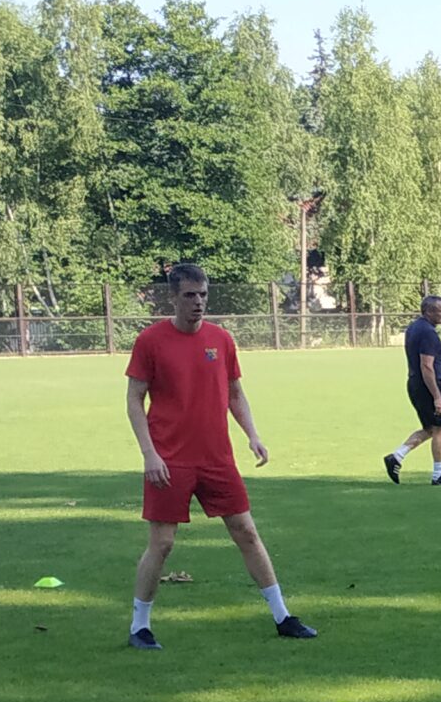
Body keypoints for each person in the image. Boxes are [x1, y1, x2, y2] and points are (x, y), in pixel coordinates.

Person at [124, 264, 317, 648]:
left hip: (217, 458)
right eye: (189, 295)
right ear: (173, 297)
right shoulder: (150, 341)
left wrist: (253, 435)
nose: (198, 302)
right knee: (162, 543)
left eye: (203, 295)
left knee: (247, 532)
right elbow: (134, 399)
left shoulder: (221, 340)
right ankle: (139, 627)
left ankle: (283, 616)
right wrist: (149, 454)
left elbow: (235, 393)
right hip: (169, 459)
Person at [385, 293, 441, 485]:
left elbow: (423, 365)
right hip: (426, 388)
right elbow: (426, 366)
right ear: (428, 311)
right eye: (440, 311)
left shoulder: (415, 327)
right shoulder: (428, 333)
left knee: (430, 428)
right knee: (440, 428)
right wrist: (437, 396)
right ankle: (439, 475)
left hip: (416, 384)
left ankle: (396, 457)